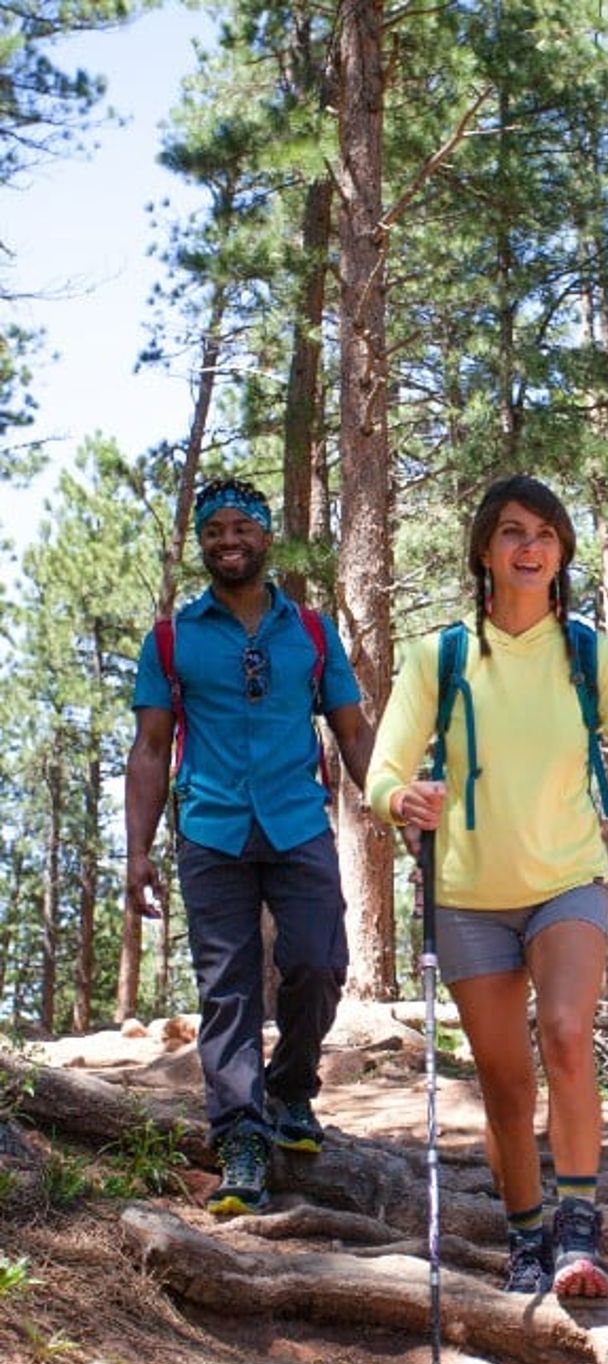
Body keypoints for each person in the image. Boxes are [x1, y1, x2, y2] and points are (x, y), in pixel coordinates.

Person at [367, 474, 608, 1300]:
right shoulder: (439, 656)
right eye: (514, 532)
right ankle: (527, 1236)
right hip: (467, 896)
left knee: (563, 1032)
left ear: (562, 554)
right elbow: (383, 768)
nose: (531, 548)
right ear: (485, 549)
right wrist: (399, 799)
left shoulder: (588, 652)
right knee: (505, 1081)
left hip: (567, 880)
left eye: (547, 534)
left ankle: (580, 1232)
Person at [125, 479, 374, 1217]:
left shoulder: (314, 633)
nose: (227, 542)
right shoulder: (173, 638)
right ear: (202, 542)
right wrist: (137, 853)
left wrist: (395, 802)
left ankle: (292, 1090)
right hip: (210, 829)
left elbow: (353, 730)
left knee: (317, 962)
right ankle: (239, 1135)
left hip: (300, 823)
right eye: (213, 532)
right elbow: (149, 746)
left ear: (267, 540)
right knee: (227, 991)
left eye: (242, 530)